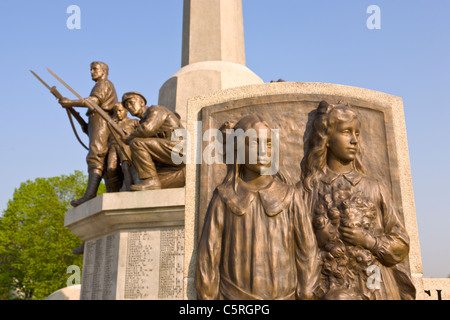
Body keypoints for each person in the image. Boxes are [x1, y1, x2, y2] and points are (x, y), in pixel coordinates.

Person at [299, 100, 416, 300]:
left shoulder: (374, 188)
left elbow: (401, 242)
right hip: (328, 287)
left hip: (374, 285)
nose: (354, 140)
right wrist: (318, 239)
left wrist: (368, 240)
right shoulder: (309, 190)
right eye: (346, 132)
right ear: (326, 138)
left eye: (357, 133)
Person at [195, 115, 320, 300]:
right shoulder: (224, 197)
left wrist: (307, 291)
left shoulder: (290, 196)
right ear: (237, 149)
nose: (263, 151)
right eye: (254, 143)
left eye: (268, 144)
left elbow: (308, 251)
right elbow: (209, 255)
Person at [59, 61, 118, 206]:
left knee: (96, 156)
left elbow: (93, 101)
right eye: (90, 69)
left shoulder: (104, 84)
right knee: (99, 157)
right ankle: (106, 190)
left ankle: (90, 194)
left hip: (101, 121)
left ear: (103, 70)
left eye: (94, 69)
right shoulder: (100, 84)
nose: (91, 72)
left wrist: (70, 102)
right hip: (96, 121)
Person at [121, 92, 185, 191]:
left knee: (136, 143)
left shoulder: (156, 110)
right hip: (170, 160)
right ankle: (155, 181)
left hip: (180, 148)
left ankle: (151, 181)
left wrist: (129, 138)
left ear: (141, 102)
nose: (129, 107)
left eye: (131, 103)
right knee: (158, 183)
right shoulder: (143, 120)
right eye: (126, 106)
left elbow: (147, 129)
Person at [105, 102, 139, 192]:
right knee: (110, 169)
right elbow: (108, 138)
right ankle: (115, 191)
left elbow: (142, 132)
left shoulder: (133, 121)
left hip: (125, 146)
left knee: (125, 166)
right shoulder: (113, 124)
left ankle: (129, 188)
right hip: (113, 147)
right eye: (116, 111)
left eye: (120, 111)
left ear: (126, 111)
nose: (118, 113)